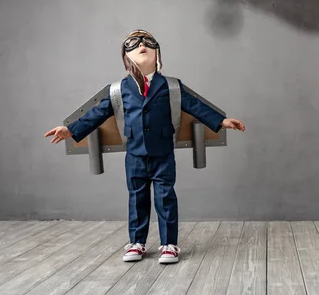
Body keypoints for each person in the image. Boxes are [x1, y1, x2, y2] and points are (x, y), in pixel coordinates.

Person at [44, 29, 245, 264]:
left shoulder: (171, 86)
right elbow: (97, 114)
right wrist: (71, 130)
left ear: (157, 52)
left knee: (165, 197)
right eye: (134, 43)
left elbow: (195, 106)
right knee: (137, 199)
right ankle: (137, 242)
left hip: (163, 153)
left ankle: (169, 244)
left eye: (148, 42)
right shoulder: (118, 90)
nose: (142, 44)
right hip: (135, 154)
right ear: (126, 56)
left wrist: (221, 121)